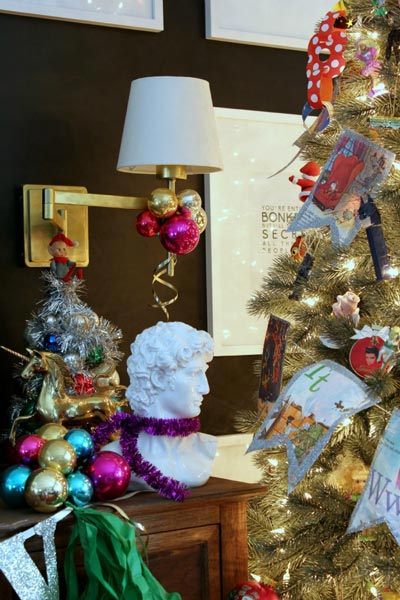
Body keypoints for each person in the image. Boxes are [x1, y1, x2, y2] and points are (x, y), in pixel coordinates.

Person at [104, 321, 217, 491]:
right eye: (194, 374)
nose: (205, 388)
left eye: (204, 373)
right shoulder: (116, 458)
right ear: (158, 378)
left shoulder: (204, 449)